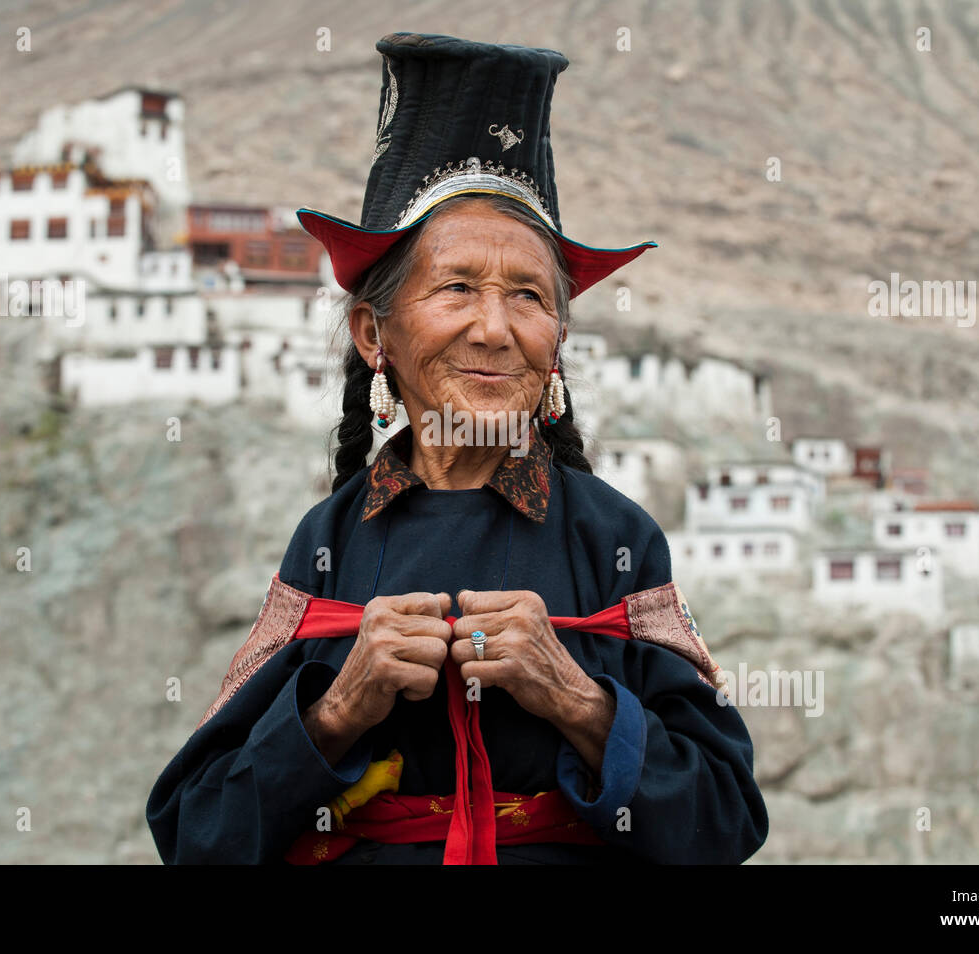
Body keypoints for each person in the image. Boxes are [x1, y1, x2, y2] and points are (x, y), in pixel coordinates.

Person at [146, 31, 768, 865]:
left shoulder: (615, 542)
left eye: (528, 296)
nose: (495, 328)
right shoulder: (326, 546)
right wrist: (340, 709)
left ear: (558, 337)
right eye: (457, 288)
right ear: (376, 334)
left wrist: (577, 699)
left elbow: (725, 822)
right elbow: (196, 834)